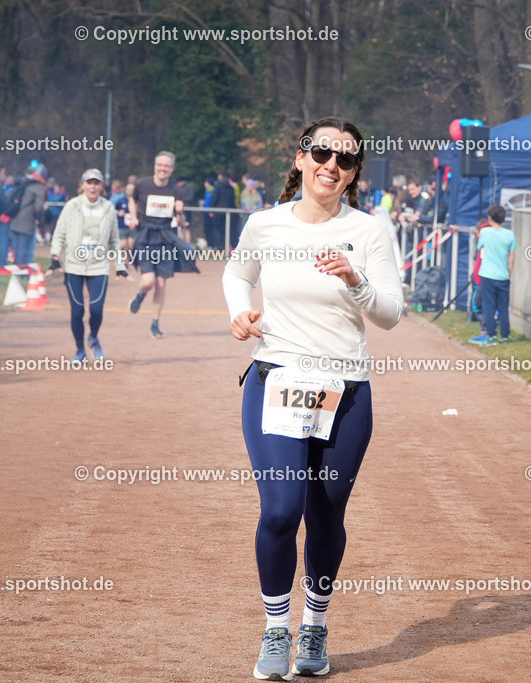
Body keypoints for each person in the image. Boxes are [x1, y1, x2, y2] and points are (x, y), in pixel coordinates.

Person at [223, 116, 403, 680]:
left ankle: (315, 625)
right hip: (276, 378)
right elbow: (236, 274)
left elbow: (391, 315)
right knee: (282, 509)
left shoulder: (371, 231)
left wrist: (355, 278)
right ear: (300, 157)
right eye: (321, 152)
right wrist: (238, 312)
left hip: (346, 387)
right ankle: (277, 627)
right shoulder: (264, 224)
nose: (332, 164)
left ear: (354, 173)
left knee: (326, 513)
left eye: (345, 159)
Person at [49, 169, 127, 362]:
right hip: (74, 265)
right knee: (77, 311)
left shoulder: (109, 208)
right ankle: (79, 350)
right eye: (89, 183)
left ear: (102, 187)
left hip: (98, 266)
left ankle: (93, 337)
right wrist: (55, 256)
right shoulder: (72, 206)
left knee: (97, 309)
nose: (92, 186)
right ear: (82, 185)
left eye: (96, 183)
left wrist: (119, 265)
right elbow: (59, 234)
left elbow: (114, 240)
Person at [127, 151, 198, 339]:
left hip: (165, 238)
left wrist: (180, 212)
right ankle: (140, 294)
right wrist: (133, 217)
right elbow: (131, 200)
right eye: (160, 165)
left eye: (166, 166)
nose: (163, 168)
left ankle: (155, 323)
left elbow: (181, 222)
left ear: (171, 169)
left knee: (160, 283)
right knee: (149, 281)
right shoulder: (142, 184)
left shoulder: (176, 190)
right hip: (146, 235)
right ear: (155, 166)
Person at [468, 204, 516, 345]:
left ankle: (492, 336)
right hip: (503, 275)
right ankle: (505, 336)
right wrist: (509, 273)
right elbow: (511, 257)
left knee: (488, 306)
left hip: (488, 275)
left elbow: (479, 248)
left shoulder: (485, 233)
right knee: (503, 307)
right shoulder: (510, 234)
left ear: (490, 217)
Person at [9, 163, 48, 266]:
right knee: (24, 249)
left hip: (15, 220)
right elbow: (39, 208)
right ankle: (22, 274)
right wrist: (41, 223)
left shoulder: (25, 183)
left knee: (16, 250)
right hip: (27, 223)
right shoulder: (39, 188)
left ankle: (16, 273)